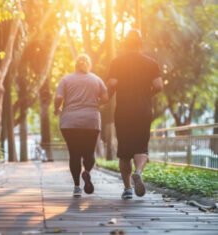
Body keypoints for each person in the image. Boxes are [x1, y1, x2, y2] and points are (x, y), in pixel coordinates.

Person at [107, 29, 164, 199]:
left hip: (123, 110)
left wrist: (104, 98)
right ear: (140, 43)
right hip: (143, 110)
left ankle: (127, 189)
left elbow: (111, 83)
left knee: (124, 151)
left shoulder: (117, 62)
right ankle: (138, 172)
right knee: (141, 147)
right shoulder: (151, 63)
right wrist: (147, 94)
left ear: (125, 43)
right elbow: (159, 85)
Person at [54, 54, 108, 197]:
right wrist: (95, 104)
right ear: (88, 65)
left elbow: (58, 97)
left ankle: (77, 187)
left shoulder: (66, 79)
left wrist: (56, 109)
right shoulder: (96, 79)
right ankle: (87, 172)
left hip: (70, 122)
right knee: (89, 153)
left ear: (75, 65)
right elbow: (105, 97)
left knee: (74, 154)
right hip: (91, 121)